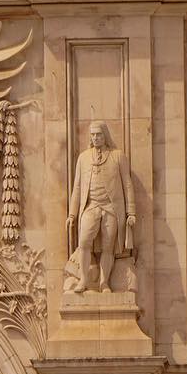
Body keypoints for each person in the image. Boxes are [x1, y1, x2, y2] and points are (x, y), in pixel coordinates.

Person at [67, 120, 136, 293]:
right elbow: (77, 187)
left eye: (98, 134)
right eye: (93, 135)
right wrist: (72, 214)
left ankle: (104, 282)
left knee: (108, 246)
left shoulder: (117, 155)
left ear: (105, 135)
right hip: (91, 207)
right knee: (84, 242)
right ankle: (83, 279)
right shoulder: (83, 158)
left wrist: (131, 212)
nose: (95, 138)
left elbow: (127, 184)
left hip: (111, 208)